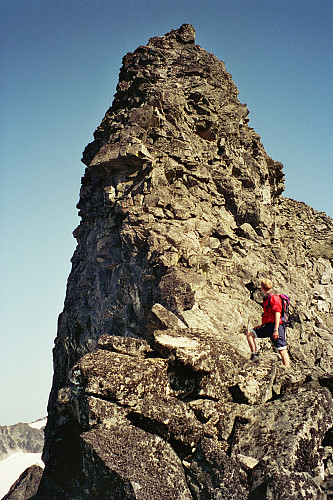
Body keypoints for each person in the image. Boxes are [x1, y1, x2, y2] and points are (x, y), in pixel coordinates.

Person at [246, 278, 290, 367]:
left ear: (262, 287)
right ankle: (255, 355)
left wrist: (276, 330)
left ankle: (287, 369)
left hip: (276, 326)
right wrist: (262, 325)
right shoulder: (267, 299)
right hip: (268, 326)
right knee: (250, 333)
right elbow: (268, 315)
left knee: (282, 349)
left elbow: (277, 314)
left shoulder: (274, 298)